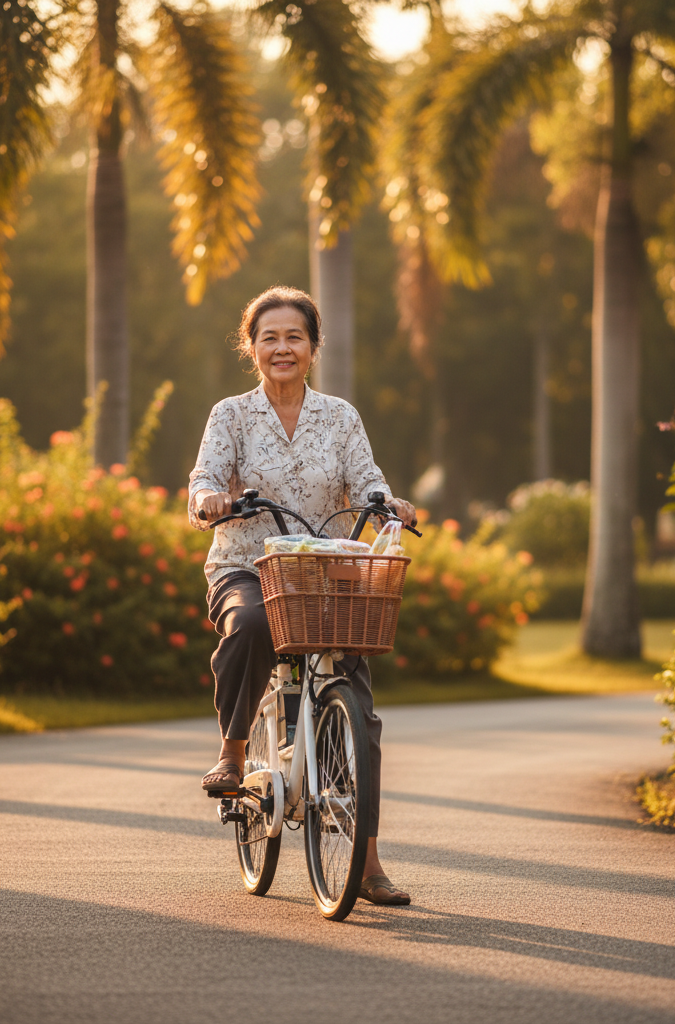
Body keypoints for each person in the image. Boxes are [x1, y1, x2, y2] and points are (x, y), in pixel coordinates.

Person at [188, 285, 417, 907]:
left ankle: (367, 864)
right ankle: (234, 753)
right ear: (252, 347)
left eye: (295, 337)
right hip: (247, 564)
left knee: (360, 709)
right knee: (253, 625)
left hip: (324, 572)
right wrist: (210, 499)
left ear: (313, 347)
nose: (282, 347)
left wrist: (386, 501)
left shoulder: (340, 417)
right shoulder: (230, 416)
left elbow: (367, 479)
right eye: (270, 337)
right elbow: (204, 477)